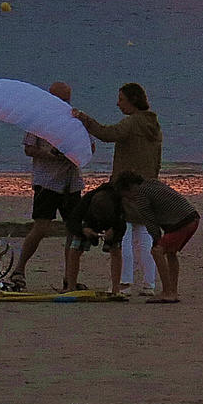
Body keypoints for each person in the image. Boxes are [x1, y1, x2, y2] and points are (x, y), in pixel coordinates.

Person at [74, 82, 163, 295]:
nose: (118, 103)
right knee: (144, 235)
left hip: (127, 186)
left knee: (124, 234)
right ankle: (149, 284)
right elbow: (157, 159)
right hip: (148, 183)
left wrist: (83, 118)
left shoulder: (132, 123)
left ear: (133, 100)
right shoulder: (154, 126)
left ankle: (124, 282)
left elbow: (107, 134)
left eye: (121, 99)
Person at [5, 81, 88, 292]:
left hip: (71, 182)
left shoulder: (75, 118)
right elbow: (29, 149)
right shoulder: (37, 119)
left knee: (74, 230)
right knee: (41, 227)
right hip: (47, 181)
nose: (63, 103)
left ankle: (69, 279)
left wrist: (74, 153)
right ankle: (19, 270)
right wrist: (49, 154)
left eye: (65, 99)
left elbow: (90, 145)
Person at [115, 171, 199, 303]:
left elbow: (150, 221)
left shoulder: (140, 195)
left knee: (157, 251)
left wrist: (156, 240)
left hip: (181, 223)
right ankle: (173, 291)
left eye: (125, 195)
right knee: (171, 253)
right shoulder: (152, 183)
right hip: (192, 217)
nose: (127, 199)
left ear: (129, 187)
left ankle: (167, 292)